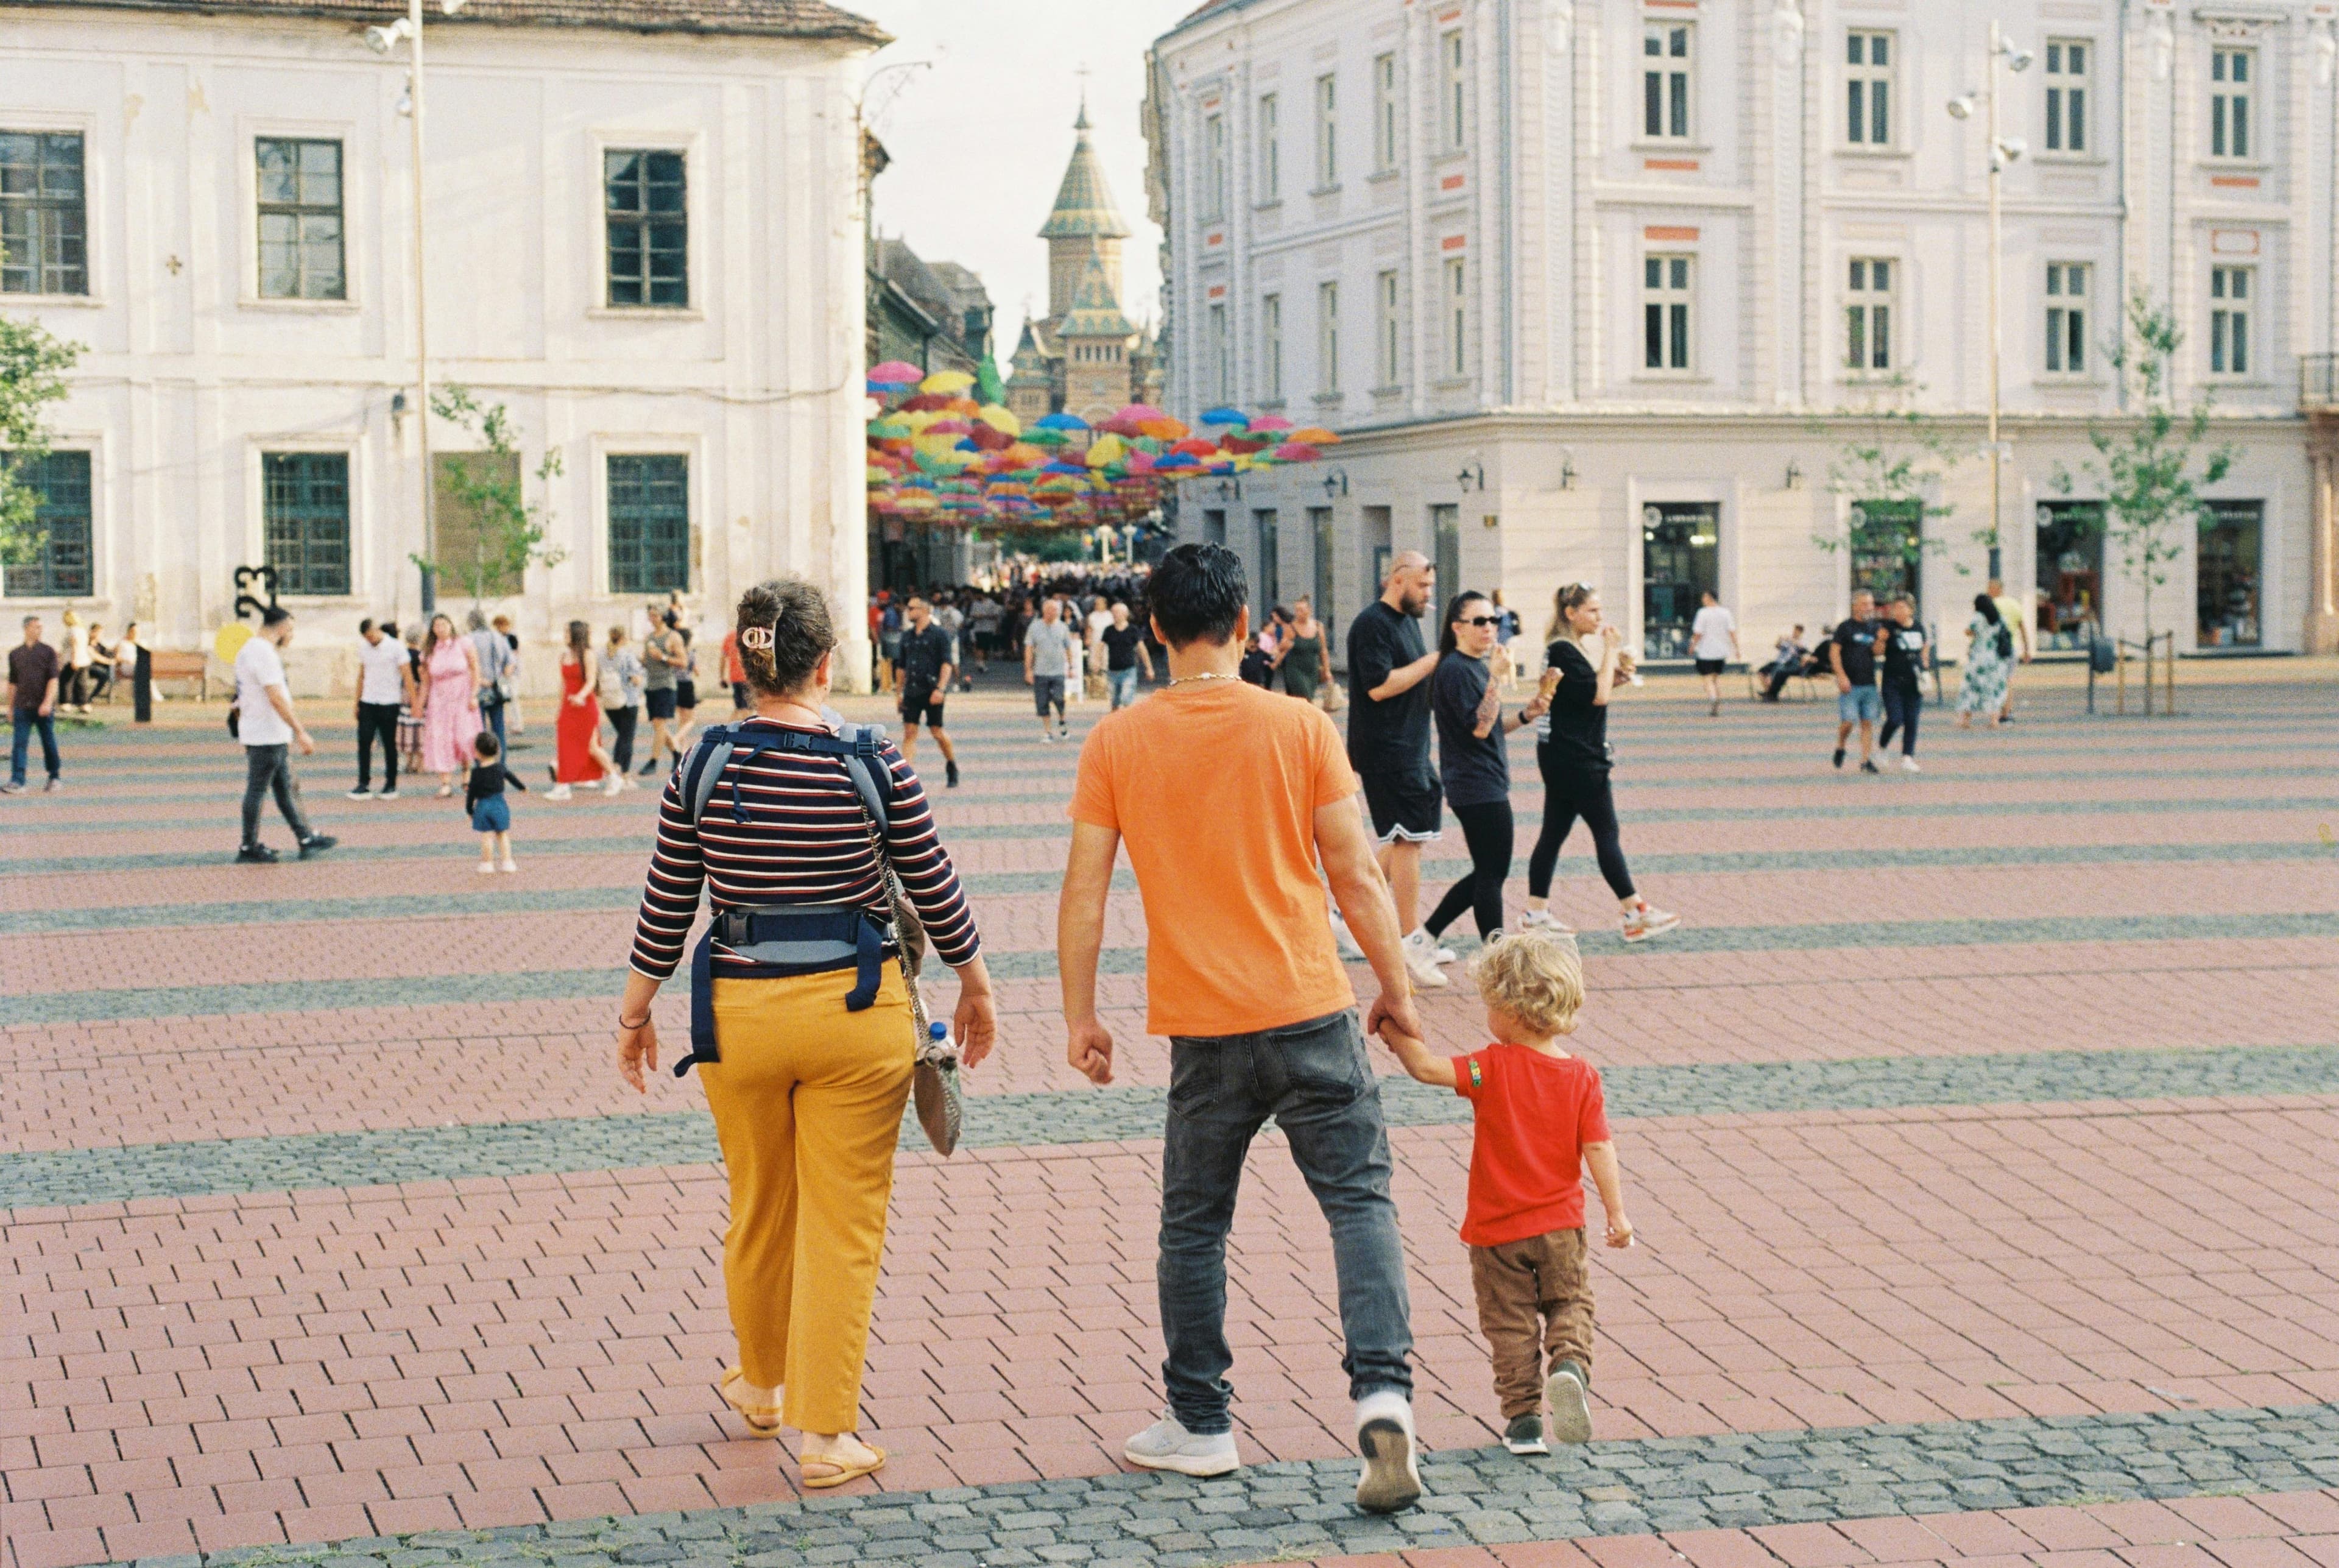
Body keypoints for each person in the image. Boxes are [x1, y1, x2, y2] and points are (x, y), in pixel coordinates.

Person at [1056, 542, 1427, 1515]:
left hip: (1205, 1029)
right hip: (1312, 1005)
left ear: (1154, 630)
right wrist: (1398, 989)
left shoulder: (1118, 741)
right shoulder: (1300, 723)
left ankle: (1201, 1420)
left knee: (1194, 1224)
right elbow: (1354, 874)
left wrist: (1080, 1016)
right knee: (1360, 1202)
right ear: (1244, 617)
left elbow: (1084, 893)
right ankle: (1384, 1396)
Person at [615, 575, 997, 1492]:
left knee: (758, 1205)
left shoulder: (701, 764)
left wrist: (634, 1013)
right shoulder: (873, 762)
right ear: (828, 662)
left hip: (738, 1020)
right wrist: (975, 983)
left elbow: (667, 902)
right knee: (844, 1224)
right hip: (853, 1016)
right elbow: (934, 883)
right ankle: (826, 1435)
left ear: (741, 665)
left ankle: (759, 1382)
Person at [1376, 933, 1632, 1455]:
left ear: (1512, 1012)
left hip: (1495, 1234)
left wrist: (1389, 1028)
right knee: (1570, 1303)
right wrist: (1617, 1213)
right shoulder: (1582, 1077)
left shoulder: (1486, 1068)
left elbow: (1426, 1068)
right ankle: (1568, 1366)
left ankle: (1524, 1423)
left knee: (1509, 1327)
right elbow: (1600, 1148)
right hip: (1561, 1226)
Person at [1520, 585, 1678, 944]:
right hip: (1579, 758)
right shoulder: (1563, 649)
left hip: (1563, 755)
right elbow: (1598, 696)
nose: (1600, 617)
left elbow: (1587, 694)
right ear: (1571, 613)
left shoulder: (1566, 649)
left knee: (1553, 833)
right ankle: (1635, 912)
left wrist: (1614, 677)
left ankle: (1537, 912)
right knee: (1606, 833)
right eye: (1592, 611)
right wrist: (1610, 652)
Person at [1420, 593, 1549, 956]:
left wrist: (1527, 715)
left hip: (1482, 780)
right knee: (1492, 874)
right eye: (1480, 622)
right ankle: (1496, 952)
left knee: (1487, 873)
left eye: (1493, 621)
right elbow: (1479, 727)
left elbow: (1489, 727)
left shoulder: (1474, 665)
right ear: (1457, 627)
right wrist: (1494, 679)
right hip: (1475, 784)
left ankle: (1423, 939)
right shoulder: (1457, 669)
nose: (1490, 628)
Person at [1345, 551, 1448, 991]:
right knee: (1409, 839)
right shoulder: (1372, 624)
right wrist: (1434, 662)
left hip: (1411, 747)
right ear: (1398, 579)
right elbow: (1380, 686)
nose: (1429, 595)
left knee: (1406, 837)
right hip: (1385, 748)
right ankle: (1410, 941)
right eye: (1423, 586)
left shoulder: (1409, 623)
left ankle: (1343, 913)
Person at [231, 607, 336, 863]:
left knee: (285, 786)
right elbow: (275, 696)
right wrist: (300, 731)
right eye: (290, 630)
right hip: (268, 733)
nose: (291, 635)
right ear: (279, 628)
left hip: (264, 731)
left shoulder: (248, 650)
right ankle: (249, 846)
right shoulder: (263, 653)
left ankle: (305, 837)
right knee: (258, 788)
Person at [894, 595, 960, 787]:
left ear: (924, 610)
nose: (908, 611)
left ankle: (951, 764)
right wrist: (898, 693)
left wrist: (941, 688)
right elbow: (901, 667)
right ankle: (908, 779)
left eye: (912, 608)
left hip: (933, 692)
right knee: (909, 733)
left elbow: (946, 663)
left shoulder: (940, 635)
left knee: (937, 731)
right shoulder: (907, 636)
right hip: (912, 692)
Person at [551, 620, 616, 800]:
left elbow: (591, 681)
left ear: (576, 634)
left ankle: (613, 777)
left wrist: (580, 696)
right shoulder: (564, 655)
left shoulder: (588, 655)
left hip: (585, 707)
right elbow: (563, 684)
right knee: (565, 744)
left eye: (567, 632)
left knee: (592, 747)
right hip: (568, 706)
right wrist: (559, 708)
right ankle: (563, 785)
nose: (564, 636)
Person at [420, 613, 483, 799]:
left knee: (464, 737)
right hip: (439, 700)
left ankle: (466, 775)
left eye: (444, 624)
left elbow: (475, 668)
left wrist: (474, 694)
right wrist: (419, 704)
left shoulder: (464, 644)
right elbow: (425, 681)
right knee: (441, 739)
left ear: (451, 625)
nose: (441, 628)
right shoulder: (429, 651)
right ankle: (445, 782)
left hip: (462, 696)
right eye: (437, 626)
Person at [1829, 590, 1884, 774]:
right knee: (1849, 722)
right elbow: (1834, 653)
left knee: (1867, 723)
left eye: (1871, 604)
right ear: (1856, 606)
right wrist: (1841, 676)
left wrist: (1882, 640)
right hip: (1850, 684)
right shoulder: (1845, 628)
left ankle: (1865, 761)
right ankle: (1841, 746)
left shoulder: (1874, 627)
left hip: (1869, 683)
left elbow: (1877, 652)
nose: (1870, 607)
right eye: (1865, 604)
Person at [350, 618, 406, 799]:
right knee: (364, 742)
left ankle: (391, 784)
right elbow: (361, 676)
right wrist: (357, 701)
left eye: (371, 636)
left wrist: (415, 703)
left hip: (390, 702)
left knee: (389, 744)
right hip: (368, 701)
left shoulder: (396, 647)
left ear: (377, 630)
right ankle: (363, 784)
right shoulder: (364, 648)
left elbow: (407, 676)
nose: (370, 640)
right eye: (366, 638)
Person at [5, 614, 62, 794]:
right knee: (19, 744)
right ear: (26, 628)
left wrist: (48, 702)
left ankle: (54, 776)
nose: (39, 630)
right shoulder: (16, 654)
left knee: (48, 742)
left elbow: (53, 680)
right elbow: (13, 683)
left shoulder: (48, 652)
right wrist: (11, 707)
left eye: (40, 627)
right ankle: (17, 780)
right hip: (23, 706)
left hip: (42, 707)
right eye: (36, 627)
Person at [1876, 595, 1928, 772]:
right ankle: (1882, 747)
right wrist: (1881, 640)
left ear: (1911, 610)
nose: (1897, 611)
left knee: (1912, 720)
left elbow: (1924, 649)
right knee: (1895, 718)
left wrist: (1925, 671)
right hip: (1893, 681)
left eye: (1902, 607)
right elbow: (1878, 652)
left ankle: (1907, 757)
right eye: (1895, 608)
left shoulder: (1919, 627)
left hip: (1914, 682)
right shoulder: (1888, 627)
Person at [466, 728, 524, 872]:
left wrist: (469, 809)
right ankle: (508, 862)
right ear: (498, 750)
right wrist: (522, 788)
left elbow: (471, 793)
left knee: (486, 836)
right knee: (502, 834)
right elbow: (512, 778)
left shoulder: (476, 773)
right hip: (499, 804)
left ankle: (487, 864)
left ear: (477, 752)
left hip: (483, 806)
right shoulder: (500, 768)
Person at [640, 612, 686, 776]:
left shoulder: (673, 637)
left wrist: (664, 658)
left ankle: (653, 761)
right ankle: (677, 753)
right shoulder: (649, 637)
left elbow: (683, 662)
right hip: (651, 685)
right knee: (657, 725)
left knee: (660, 724)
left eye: (655, 615)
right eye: (650, 616)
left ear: (663, 617)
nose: (651, 619)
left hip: (666, 685)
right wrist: (640, 661)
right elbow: (646, 660)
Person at [1958, 593, 2013, 729]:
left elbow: (1969, 632)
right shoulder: (2001, 619)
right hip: (1996, 659)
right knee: (1993, 689)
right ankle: (1994, 720)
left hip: (1978, 658)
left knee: (1972, 688)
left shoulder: (1978, 618)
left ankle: (1966, 720)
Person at [1024, 595, 1076, 741]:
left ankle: (1062, 719)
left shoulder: (1063, 627)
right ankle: (1048, 731)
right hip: (1041, 671)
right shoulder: (1035, 627)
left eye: (1055, 610)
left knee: (1059, 698)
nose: (1053, 613)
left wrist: (1071, 666)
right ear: (1044, 611)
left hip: (1058, 670)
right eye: (1050, 610)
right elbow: (1028, 648)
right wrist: (1028, 670)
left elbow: (1068, 648)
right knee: (1042, 702)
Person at [601, 626, 646, 786]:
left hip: (609, 702)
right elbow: (636, 680)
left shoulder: (602, 655)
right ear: (624, 638)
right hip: (628, 701)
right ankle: (624, 776)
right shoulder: (627, 655)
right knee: (627, 737)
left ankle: (616, 767)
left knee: (622, 735)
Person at [468, 607, 514, 751]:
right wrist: (501, 679)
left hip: (477, 690)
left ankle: (481, 765)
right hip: (497, 690)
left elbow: (467, 667)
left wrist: (481, 681)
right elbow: (511, 663)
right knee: (499, 729)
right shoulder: (498, 637)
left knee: (478, 730)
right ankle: (500, 765)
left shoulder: (469, 639)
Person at [1987, 576, 2031, 722]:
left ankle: (1997, 712)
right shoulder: (2014, 604)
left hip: (1995, 648)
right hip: (2011, 648)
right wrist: (2027, 650)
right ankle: (2006, 713)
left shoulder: (1991, 605)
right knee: (2009, 679)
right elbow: (2023, 628)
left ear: (1995, 589)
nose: (1987, 592)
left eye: (1989, 589)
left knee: (1995, 680)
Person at [1688, 591, 1738, 718]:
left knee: (1707, 679)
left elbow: (1698, 633)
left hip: (1706, 652)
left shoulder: (1703, 613)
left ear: (1709, 598)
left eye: (1704, 597)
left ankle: (1713, 698)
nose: (1702, 599)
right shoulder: (1726, 613)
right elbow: (1732, 631)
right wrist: (1736, 649)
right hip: (1721, 652)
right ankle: (1716, 698)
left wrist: (1693, 645)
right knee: (1715, 679)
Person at [1277, 596, 1328, 706]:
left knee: (1304, 701)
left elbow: (1323, 650)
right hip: (1295, 670)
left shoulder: (1318, 626)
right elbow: (1281, 648)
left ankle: (1297, 722)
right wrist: (1285, 645)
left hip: (1312, 671)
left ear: (1309, 611)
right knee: (1306, 699)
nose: (1298, 613)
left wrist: (1327, 670)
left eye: (1301, 610)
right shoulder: (1290, 627)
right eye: (1296, 610)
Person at [1100, 601, 1152, 710]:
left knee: (1126, 699)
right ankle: (1115, 724)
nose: (1115, 615)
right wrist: (1097, 662)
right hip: (1113, 670)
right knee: (1114, 702)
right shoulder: (1108, 630)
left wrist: (1149, 668)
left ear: (1125, 614)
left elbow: (1142, 650)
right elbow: (1100, 647)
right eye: (1113, 612)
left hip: (1129, 670)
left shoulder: (1133, 630)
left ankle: (1127, 724)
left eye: (1117, 612)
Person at [397, 626, 427, 778]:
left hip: (404, 693)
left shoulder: (403, 654)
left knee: (406, 727)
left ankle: (408, 761)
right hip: (419, 692)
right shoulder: (422, 656)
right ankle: (420, 763)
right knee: (420, 727)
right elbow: (424, 678)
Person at [1759, 625, 1809, 702]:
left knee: (1771, 677)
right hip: (1778, 660)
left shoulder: (1802, 642)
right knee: (1761, 672)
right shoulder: (1788, 640)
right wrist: (1779, 640)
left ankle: (1770, 694)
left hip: (1786, 663)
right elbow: (1778, 646)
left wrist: (1794, 642)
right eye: (1794, 631)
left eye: (1797, 632)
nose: (1794, 633)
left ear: (1800, 633)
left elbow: (1804, 650)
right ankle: (1769, 692)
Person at [495, 615, 525, 740]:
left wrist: (508, 670)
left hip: (511, 674)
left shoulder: (511, 637)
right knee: (506, 698)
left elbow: (514, 656)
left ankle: (518, 724)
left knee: (513, 698)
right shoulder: (500, 638)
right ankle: (513, 723)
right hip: (504, 674)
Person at [58, 607, 91, 713]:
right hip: (84, 659)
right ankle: (84, 704)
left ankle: (66, 703)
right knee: (81, 683)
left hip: (73, 659)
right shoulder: (82, 630)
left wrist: (74, 660)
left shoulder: (72, 630)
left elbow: (74, 645)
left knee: (66, 681)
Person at [1084, 593, 1115, 701]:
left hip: (1108, 645)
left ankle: (1108, 690)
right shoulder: (1092, 616)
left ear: (1105, 605)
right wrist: (1087, 638)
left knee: (1106, 665)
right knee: (1094, 665)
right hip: (1095, 643)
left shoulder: (1110, 615)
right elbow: (1089, 629)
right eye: (1096, 604)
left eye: (1100, 604)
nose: (1098, 605)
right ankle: (1095, 690)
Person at [720, 623, 750, 718]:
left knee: (739, 708)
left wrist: (722, 677)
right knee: (747, 709)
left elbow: (723, 658)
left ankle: (729, 730)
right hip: (748, 678)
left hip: (735, 678)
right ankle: (744, 731)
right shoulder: (752, 637)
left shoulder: (730, 637)